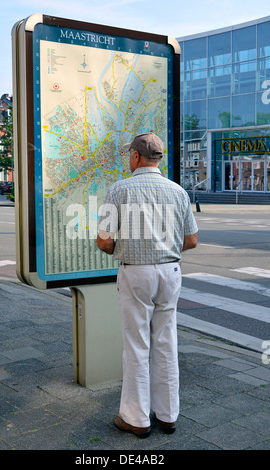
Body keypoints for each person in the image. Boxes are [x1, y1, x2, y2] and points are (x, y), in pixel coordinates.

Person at [97, 133, 198, 438]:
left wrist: (122, 247)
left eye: (130, 154)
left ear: (137, 157)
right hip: (170, 272)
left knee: (137, 344)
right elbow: (191, 240)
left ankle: (137, 419)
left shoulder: (118, 190)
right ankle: (168, 416)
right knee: (166, 341)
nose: (129, 159)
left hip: (135, 274)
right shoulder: (178, 191)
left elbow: (104, 241)